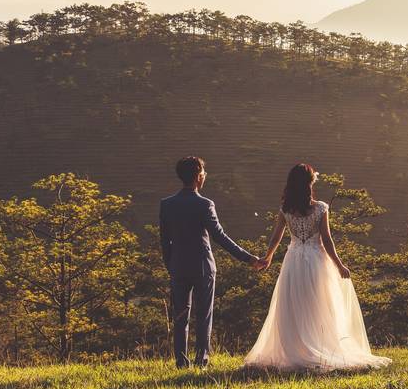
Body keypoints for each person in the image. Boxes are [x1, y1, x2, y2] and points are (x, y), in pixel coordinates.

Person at [244, 163, 391, 371]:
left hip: (293, 260)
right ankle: (320, 346)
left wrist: (268, 257)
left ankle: (297, 349)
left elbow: (276, 237)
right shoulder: (320, 208)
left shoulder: (286, 209)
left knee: (295, 304)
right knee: (320, 304)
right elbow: (327, 240)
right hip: (316, 260)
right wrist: (339, 265)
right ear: (309, 183)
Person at [159, 156, 260, 368]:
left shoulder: (167, 205)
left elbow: (165, 241)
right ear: (197, 177)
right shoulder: (205, 204)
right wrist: (248, 258)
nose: (205, 176)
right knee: (204, 315)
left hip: (178, 266)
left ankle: (181, 362)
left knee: (180, 316)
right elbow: (220, 237)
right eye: (203, 173)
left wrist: (171, 266)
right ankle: (201, 361)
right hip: (203, 266)